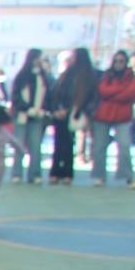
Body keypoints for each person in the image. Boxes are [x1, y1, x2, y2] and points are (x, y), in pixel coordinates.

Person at [90, 50, 135, 188]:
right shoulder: (105, 75)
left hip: (123, 116)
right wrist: (120, 90)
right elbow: (102, 91)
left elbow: (130, 94)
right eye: (116, 61)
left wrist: (112, 94)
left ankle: (128, 177)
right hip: (102, 115)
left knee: (124, 146)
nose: (118, 64)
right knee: (99, 147)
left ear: (126, 63)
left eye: (121, 61)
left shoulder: (133, 77)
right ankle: (100, 176)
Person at [46, 47, 97, 184]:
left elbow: (85, 96)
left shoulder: (86, 76)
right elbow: (56, 92)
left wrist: (70, 110)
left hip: (74, 112)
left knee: (68, 143)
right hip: (61, 112)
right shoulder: (66, 74)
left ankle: (67, 172)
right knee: (59, 143)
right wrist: (56, 109)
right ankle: (56, 172)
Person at [9, 48, 50, 184]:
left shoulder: (43, 77)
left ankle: (35, 174)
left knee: (36, 146)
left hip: (37, 117)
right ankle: (17, 173)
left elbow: (48, 95)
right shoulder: (22, 76)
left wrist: (43, 110)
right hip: (22, 116)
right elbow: (15, 97)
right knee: (19, 145)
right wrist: (27, 109)